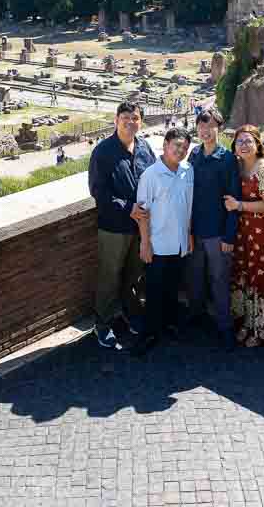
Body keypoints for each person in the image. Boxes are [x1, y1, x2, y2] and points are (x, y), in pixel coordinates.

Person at [88, 102, 157, 350]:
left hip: (140, 226)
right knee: (109, 275)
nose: (130, 122)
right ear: (116, 120)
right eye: (126, 117)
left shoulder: (144, 147)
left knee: (134, 274)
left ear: (141, 122)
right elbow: (98, 191)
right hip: (114, 227)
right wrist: (128, 207)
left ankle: (130, 314)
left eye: (135, 118)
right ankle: (103, 324)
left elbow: (153, 179)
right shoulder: (103, 152)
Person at [133, 127, 194, 355]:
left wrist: (188, 235)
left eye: (185, 148)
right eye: (177, 145)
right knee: (153, 292)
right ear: (166, 144)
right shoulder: (150, 175)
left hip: (179, 243)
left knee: (172, 289)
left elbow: (187, 206)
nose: (181, 151)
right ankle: (148, 334)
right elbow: (142, 213)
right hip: (157, 245)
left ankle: (169, 325)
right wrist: (145, 243)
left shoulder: (188, 170)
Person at [186, 107, 241, 350]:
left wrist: (230, 234)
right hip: (195, 230)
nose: (205, 131)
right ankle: (196, 316)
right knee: (195, 277)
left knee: (219, 280)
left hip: (218, 231)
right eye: (201, 126)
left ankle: (224, 326)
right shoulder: (194, 155)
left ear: (219, 128)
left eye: (210, 126)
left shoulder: (227, 159)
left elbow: (234, 199)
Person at [224, 125, 264, 347]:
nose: (244, 145)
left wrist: (238, 205)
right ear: (234, 147)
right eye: (240, 142)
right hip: (245, 229)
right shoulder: (238, 166)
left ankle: (263, 330)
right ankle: (247, 324)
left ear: (257, 144)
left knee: (260, 276)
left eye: (248, 141)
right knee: (245, 273)